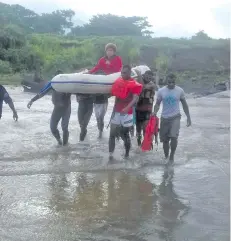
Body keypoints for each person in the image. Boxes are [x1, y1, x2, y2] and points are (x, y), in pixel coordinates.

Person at [152, 73, 191, 162]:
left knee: (174, 137)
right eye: (169, 82)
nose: (171, 84)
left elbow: (184, 104)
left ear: (175, 81)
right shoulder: (161, 91)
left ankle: (172, 156)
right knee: (165, 140)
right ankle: (166, 157)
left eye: (173, 82)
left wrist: (188, 117)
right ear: (166, 81)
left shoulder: (180, 91)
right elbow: (157, 104)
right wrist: (154, 112)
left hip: (175, 117)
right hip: (164, 118)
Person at [27, 70, 71, 146]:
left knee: (64, 127)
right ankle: (59, 142)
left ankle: (65, 146)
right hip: (57, 108)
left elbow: (78, 90)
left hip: (67, 108)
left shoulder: (68, 84)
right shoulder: (52, 83)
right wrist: (32, 100)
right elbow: (42, 92)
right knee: (53, 128)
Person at [88, 43, 122, 138]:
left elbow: (119, 70)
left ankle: (115, 128)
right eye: (108, 50)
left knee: (114, 105)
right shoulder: (102, 59)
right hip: (102, 81)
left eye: (111, 50)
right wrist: (89, 72)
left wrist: (110, 66)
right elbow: (97, 68)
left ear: (114, 51)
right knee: (98, 116)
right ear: (106, 51)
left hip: (112, 79)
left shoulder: (117, 59)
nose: (109, 52)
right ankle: (100, 131)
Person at [109, 65, 143, 159]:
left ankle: (127, 155)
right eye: (121, 72)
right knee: (112, 134)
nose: (122, 74)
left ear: (129, 73)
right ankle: (110, 156)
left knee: (125, 134)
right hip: (116, 112)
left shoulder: (133, 83)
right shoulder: (118, 81)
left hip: (127, 113)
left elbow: (135, 98)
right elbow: (112, 94)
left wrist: (128, 107)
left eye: (124, 73)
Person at [136, 70, 158, 146]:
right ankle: (139, 145)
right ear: (144, 75)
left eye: (150, 76)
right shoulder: (138, 81)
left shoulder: (152, 85)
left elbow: (143, 87)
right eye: (147, 75)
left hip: (147, 110)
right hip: (138, 108)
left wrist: (139, 75)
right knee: (138, 129)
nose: (148, 77)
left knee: (145, 129)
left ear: (152, 77)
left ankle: (145, 145)